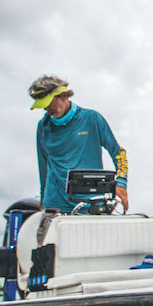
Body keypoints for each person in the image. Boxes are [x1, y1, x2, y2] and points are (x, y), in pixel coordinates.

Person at [28, 75, 129, 213]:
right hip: (54, 205)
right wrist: (43, 196)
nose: (45, 108)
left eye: (48, 102)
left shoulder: (92, 118)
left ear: (64, 96)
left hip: (90, 204)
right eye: (42, 105)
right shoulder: (43, 127)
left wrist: (121, 183)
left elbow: (118, 152)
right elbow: (43, 165)